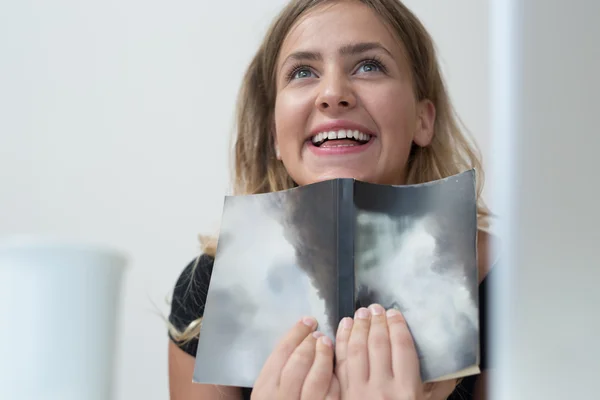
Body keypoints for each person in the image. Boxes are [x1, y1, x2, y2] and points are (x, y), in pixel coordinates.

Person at [167, 0, 497, 398]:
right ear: (274, 132)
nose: (333, 93)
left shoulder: (511, 286)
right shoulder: (206, 291)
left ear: (423, 120)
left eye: (369, 65)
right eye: (303, 72)